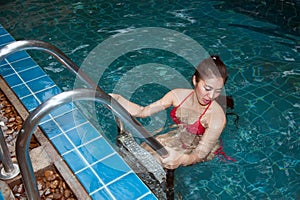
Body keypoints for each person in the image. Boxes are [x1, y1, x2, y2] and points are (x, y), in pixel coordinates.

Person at [110, 55, 235, 169]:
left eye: (218, 91)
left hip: (204, 148)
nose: (211, 95)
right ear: (195, 80)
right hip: (181, 134)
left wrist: (182, 159)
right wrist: (117, 99)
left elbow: (200, 154)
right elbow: (143, 111)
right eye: (207, 89)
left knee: (156, 159)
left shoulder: (217, 117)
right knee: (141, 151)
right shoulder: (177, 96)